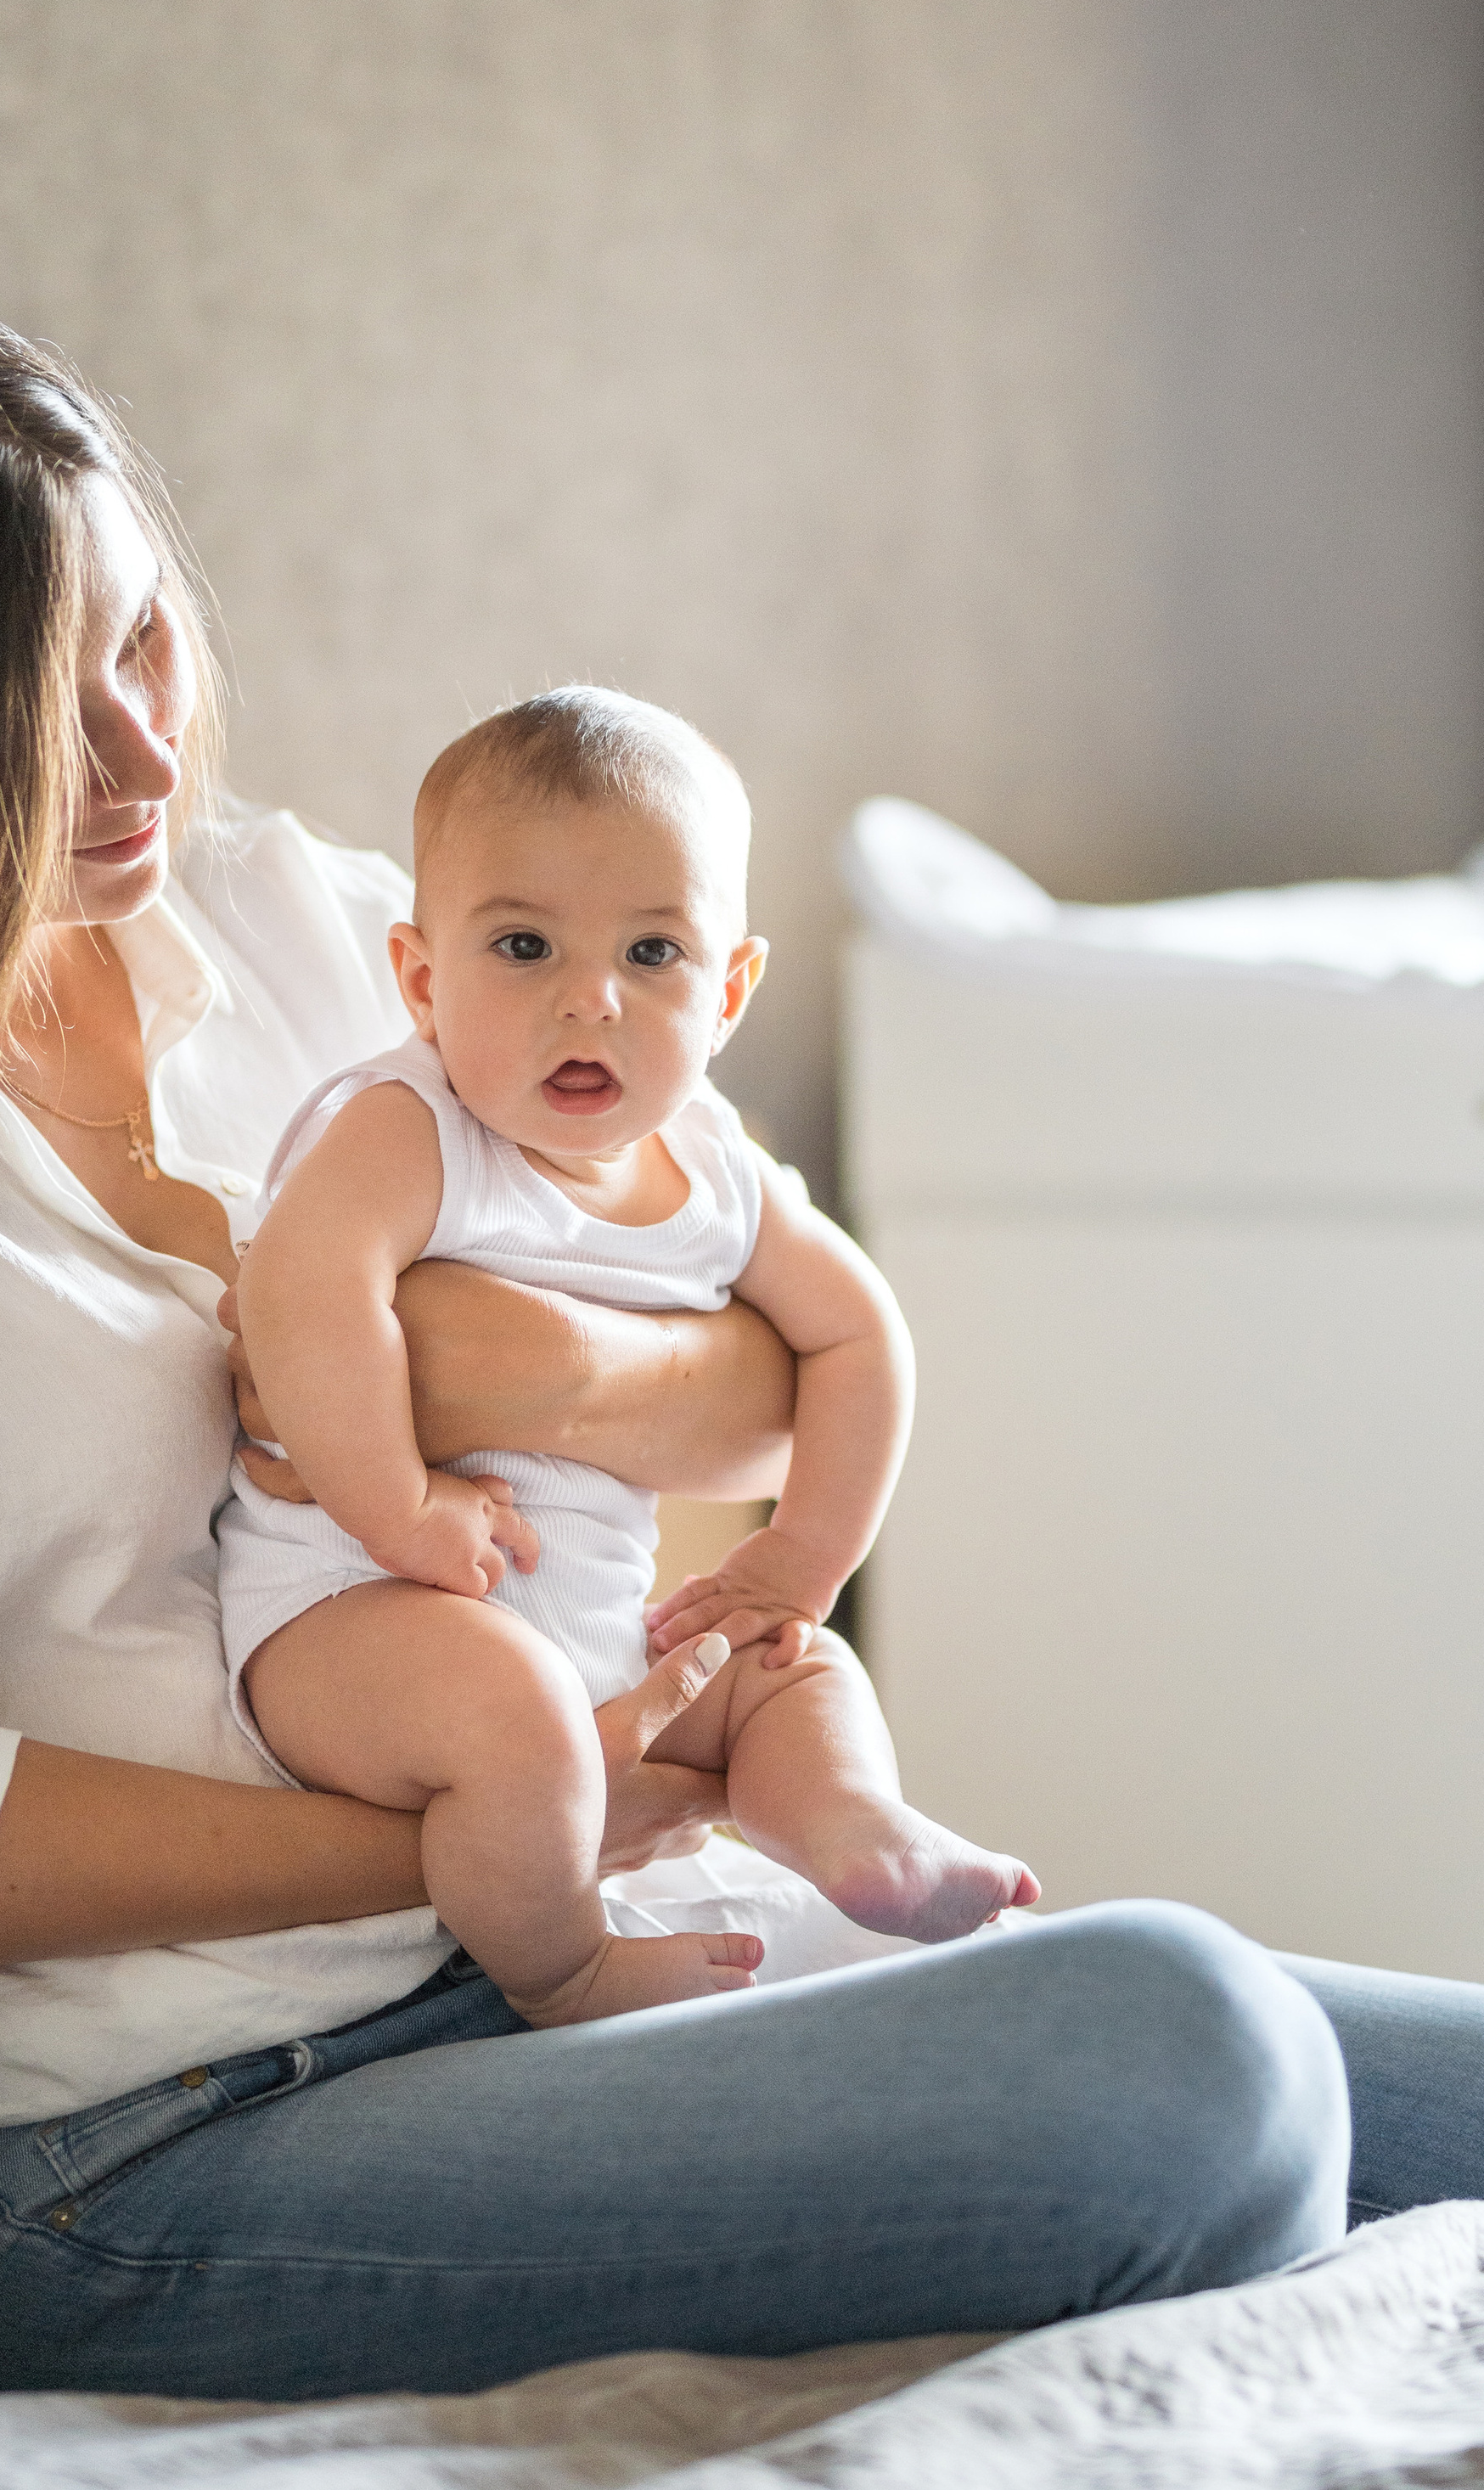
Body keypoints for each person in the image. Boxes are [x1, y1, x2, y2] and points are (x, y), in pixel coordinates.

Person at [0, 278, 1484, 2412]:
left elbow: (773, 1359)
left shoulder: (308, 926)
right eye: (30, 689)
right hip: (138, 2147)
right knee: (1195, 2066)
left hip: (539, 1964)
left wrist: (516, 1378)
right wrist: (503, 1833)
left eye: (141, 636)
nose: (135, 748)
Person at [222, 685, 1037, 2027]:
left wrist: (800, 1560)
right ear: (424, 981)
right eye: (526, 946)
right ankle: (565, 1968)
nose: (589, 1000)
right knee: (518, 1717)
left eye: (652, 953)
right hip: (348, 1615)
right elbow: (301, 1297)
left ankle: (853, 1836)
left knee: (793, 1672)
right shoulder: (405, 1128)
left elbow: (858, 1334)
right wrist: (399, 1508)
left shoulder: (716, 1166)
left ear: (729, 988)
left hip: (592, 1633)